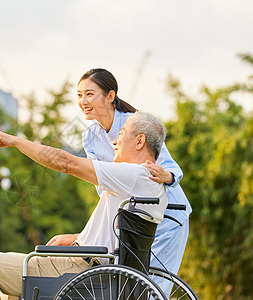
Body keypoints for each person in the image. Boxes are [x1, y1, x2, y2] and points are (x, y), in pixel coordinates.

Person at [0, 111, 168, 300]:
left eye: (122, 133)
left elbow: (65, 162)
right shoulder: (153, 184)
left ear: (140, 141)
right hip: (95, 268)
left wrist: (14, 141)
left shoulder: (132, 174)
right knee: (8, 280)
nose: (115, 141)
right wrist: (77, 238)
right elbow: (120, 236)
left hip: (80, 269)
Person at [70, 68, 192, 275]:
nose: (83, 101)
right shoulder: (90, 137)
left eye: (90, 94)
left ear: (110, 96)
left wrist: (165, 176)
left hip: (166, 216)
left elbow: (172, 168)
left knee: (152, 286)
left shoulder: (134, 125)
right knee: (128, 286)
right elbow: (104, 190)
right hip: (131, 222)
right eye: (80, 95)